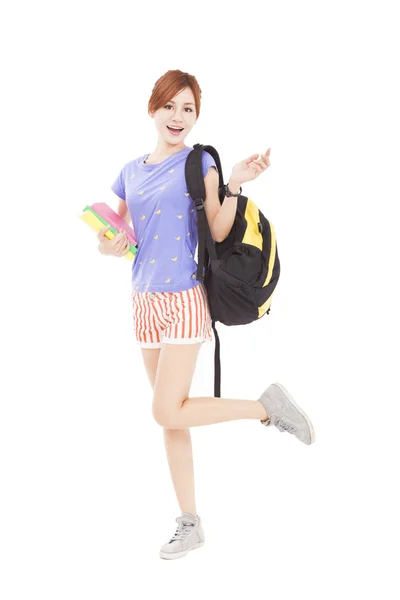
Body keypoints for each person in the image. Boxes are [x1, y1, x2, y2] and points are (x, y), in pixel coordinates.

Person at [97, 69, 315, 561]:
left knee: (163, 408)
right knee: (171, 418)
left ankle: (265, 408)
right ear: (152, 109)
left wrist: (235, 182)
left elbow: (218, 231)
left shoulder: (200, 164)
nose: (178, 117)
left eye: (188, 109)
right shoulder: (129, 171)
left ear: (196, 117)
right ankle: (189, 522)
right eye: (169, 106)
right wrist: (110, 245)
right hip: (144, 300)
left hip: (184, 300)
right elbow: (120, 236)